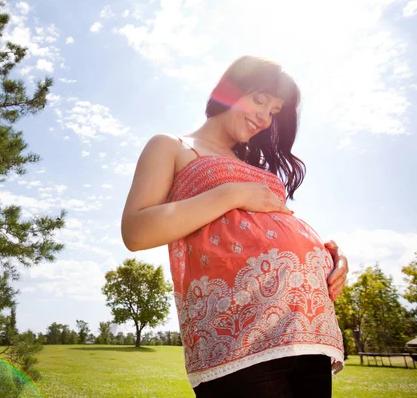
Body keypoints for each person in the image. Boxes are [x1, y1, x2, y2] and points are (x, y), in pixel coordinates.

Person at [121, 56, 348, 398]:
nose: (264, 117)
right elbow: (136, 232)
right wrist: (232, 193)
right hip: (239, 336)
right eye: (259, 100)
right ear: (229, 91)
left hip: (307, 326)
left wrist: (331, 256)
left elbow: (278, 225)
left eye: (273, 111)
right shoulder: (171, 145)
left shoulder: (254, 164)